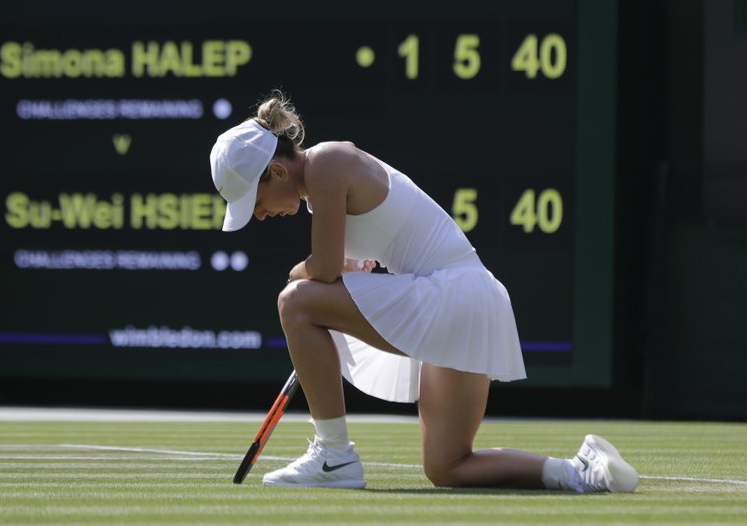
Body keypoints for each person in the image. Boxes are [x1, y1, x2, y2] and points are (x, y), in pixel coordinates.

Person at [209, 91, 638, 492]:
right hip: (468, 301)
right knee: (447, 466)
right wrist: (347, 265)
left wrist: (298, 273)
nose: (260, 216)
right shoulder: (324, 181)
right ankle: (580, 471)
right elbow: (353, 256)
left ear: (278, 171)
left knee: (295, 301)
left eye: (256, 201)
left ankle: (334, 457)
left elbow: (320, 270)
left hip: (451, 295)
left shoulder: (326, 164)